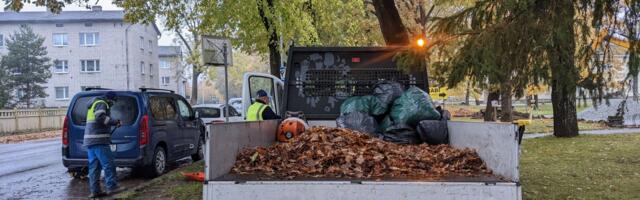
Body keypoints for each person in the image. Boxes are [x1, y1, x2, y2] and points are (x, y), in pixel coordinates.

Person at [84, 91, 122, 198]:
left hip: (90, 141)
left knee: (94, 167)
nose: (113, 104)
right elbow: (100, 117)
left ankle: (95, 191)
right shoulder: (102, 103)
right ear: (111, 99)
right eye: (114, 101)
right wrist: (115, 122)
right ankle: (112, 187)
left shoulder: (95, 103)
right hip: (99, 140)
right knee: (109, 164)